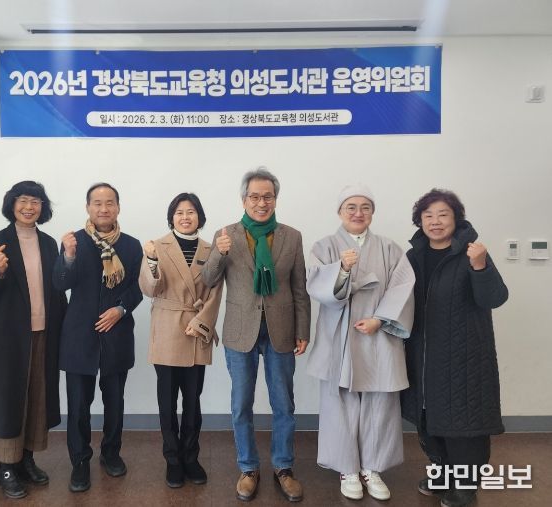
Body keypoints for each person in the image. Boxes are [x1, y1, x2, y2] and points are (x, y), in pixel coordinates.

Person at [202, 167, 310, 503]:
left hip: (281, 331)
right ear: (243, 200)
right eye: (254, 196)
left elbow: (299, 288)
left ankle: (283, 467)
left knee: (284, 404)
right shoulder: (226, 235)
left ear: (275, 199)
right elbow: (208, 280)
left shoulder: (292, 236)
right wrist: (218, 252)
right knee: (241, 405)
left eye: (268, 196)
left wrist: (303, 330)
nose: (261, 203)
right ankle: (248, 468)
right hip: (240, 332)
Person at [305, 184, 415, 501]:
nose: (358, 213)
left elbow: (404, 287)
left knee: (380, 403)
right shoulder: (324, 246)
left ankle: (373, 468)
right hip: (340, 333)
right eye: (351, 207)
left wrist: (380, 319)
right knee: (339, 402)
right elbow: (316, 286)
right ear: (340, 212)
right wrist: (342, 269)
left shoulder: (390, 248)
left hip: (378, 333)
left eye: (365, 207)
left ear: (372, 213)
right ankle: (347, 469)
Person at [401, 189, 508, 507]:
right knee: (429, 416)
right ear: (420, 221)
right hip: (423, 355)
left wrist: (480, 266)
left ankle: (466, 484)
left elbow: (494, 298)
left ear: (456, 218)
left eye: (443, 214)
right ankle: (444, 473)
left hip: (464, 355)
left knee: (464, 422)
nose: (435, 221)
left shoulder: (472, 253)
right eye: (428, 215)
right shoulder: (413, 257)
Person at [0, 181, 67, 499]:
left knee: (37, 397)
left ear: (43, 207)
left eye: (36, 201)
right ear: (12, 204)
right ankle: (6, 467)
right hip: (9, 337)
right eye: (23, 200)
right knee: (9, 399)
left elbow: (57, 289)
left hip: (43, 332)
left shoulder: (48, 243)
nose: (29, 207)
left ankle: (27, 460)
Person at [53, 182, 143, 493]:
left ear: (118, 207)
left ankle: (111, 453)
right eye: (97, 203)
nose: (103, 208)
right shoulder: (74, 241)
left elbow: (137, 288)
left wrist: (121, 309)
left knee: (114, 401)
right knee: (78, 404)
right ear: (88, 208)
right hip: (79, 336)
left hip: (117, 333)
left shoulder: (131, 246)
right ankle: (79, 461)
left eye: (109, 203)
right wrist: (68, 256)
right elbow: (59, 284)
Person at [139, 193, 224, 488]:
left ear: (200, 216)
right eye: (179, 212)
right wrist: (151, 261)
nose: (185, 217)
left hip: (195, 330)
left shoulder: (211, 249)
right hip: (166, 329)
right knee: (167, 401)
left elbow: (215, 292)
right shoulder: (157, 246)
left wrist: (201, 323)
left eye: (190, 212)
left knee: (192, 400)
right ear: (171, 217)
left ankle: (191, 457)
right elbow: (149, 288)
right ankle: (172, 460)